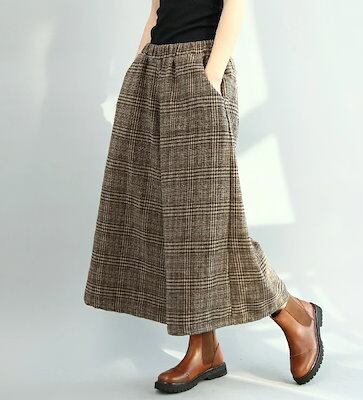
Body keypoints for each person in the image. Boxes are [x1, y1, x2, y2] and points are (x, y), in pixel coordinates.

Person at [83, 0, 324, 394]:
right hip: (153, 71)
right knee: (175, 223)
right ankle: (206, 348)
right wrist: (138, 66)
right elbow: (157, 9)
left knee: (206, 224)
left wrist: (208, 80)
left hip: (200, 68)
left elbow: (235, 7)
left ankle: (296, 316)